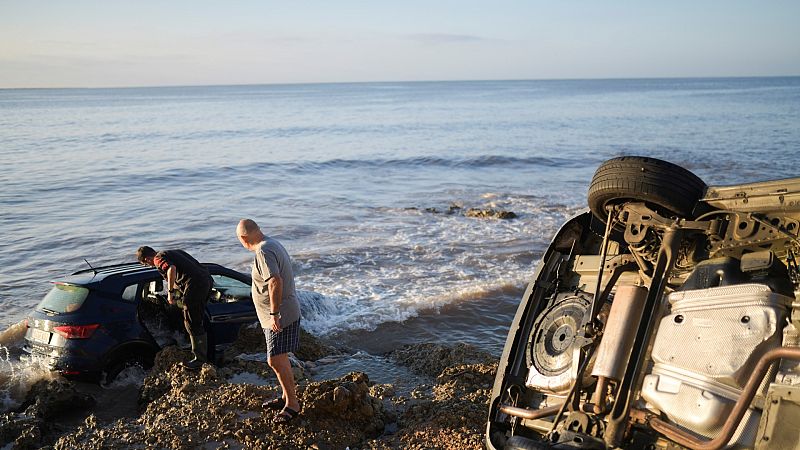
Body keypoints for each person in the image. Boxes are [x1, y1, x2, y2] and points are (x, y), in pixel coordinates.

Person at [236, 218, 302, 424]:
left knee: (275, 360)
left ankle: (292, 404)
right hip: (276, 315)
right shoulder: (272, 243)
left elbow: (275, 280)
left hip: (279, 316)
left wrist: (274, 314)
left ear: (243, 238)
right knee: (279, 358)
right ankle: (285, 397)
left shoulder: (264, 251)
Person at [136, 246, 213, 371]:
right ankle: (204, 354)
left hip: (194, 286)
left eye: (146, 264)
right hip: (206, 280)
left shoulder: (157, 259)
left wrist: (170, 292)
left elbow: (171, 269)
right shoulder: (173, 252)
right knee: (196, 318)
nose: (149, 266)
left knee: (192, 322)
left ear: (147, 259)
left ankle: (199, 359)